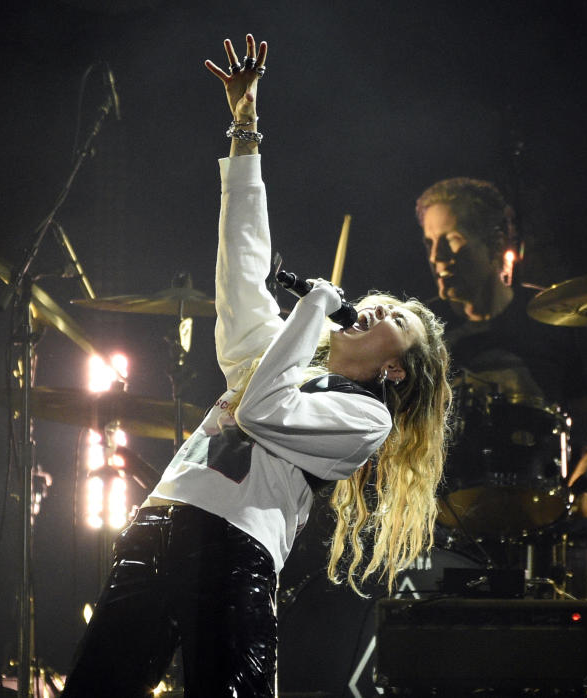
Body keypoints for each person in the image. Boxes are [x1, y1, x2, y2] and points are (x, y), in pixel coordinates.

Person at [62, 34, 451, 698]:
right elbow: (242, 262)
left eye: (398, 322)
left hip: (232, 553)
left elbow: (262, 408)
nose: (379, 311)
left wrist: (312, 309)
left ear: (397, 373)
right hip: (159, 522)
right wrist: (246, 132)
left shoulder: (363, 420)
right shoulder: (285, 355)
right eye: (381, 305)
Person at [416, 177, 587, 540]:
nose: (437, 257)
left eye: (452, 240)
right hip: (446, 522)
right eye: (429, 243)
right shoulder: (424, 331)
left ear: (495, 244)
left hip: (547, 513)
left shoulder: (555, 318)